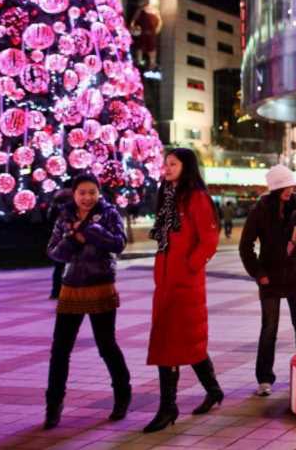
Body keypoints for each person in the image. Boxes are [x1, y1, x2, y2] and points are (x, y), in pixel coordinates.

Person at [144, 148, 223, 433]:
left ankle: (168, 407)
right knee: (183, 342)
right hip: (165, 282)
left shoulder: (196, 197)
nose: (166, 168)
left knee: (172, 344)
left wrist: (190, 266)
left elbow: (208, 239)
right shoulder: (167, 197)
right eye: (165, 164)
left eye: (173, 164)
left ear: (186, 166)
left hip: (185, 284)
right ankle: (213, 390)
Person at [43, 174, 131, 429]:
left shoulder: (109, 214)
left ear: (98, 192)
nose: (87, 197)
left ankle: (122, 395)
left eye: (92, 192)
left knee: (107, 345)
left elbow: (119, 244)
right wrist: (73, 240)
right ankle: (53, 405)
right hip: (71, 289)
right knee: (60, 350)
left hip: (101, 286)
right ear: (74, 193)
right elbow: (54, 252)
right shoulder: (65, 216)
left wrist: (92, 232)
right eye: (82, 192)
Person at [239, 165, 296, 397]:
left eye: (291, 185)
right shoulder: (260, 210)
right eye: (284, 186)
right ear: (274, 188)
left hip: (294, 275)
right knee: (269, 328)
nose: (289, 190)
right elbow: (245, 246)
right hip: (270, 278)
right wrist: (259, 274)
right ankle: (264, 378)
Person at [46, 188, 73, 300]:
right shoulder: (67, 211)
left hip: (58, 242)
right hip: (66, 241)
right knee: (67, 267)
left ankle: (56, 291)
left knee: (58, 267)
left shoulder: (53, 209)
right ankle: (63, 291)